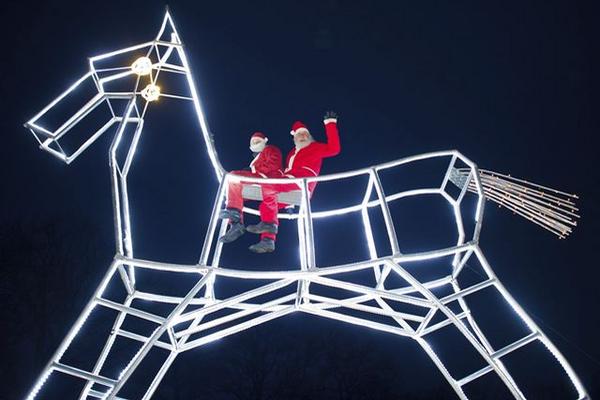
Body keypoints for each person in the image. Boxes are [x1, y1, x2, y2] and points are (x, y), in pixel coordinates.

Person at [246, 111, 341, 253]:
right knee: (266, 206)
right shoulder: (291, 153)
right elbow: (286, 170)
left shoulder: (315, 148)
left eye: (305, 134)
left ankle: (269, 224)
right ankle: (268, 240)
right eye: (299, 134)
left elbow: (334, 149)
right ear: (295, 137)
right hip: (289, 182)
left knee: (269, 184)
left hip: (302, 181)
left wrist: (330, 124)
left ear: (309, 136)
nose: (303, 136)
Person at [219, 132, 282, 243]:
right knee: (232, 190)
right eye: (253, 142)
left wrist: (252, 171)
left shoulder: (270, 149)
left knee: (233, 176)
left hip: (266, 179)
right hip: (259, 179)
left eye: (258, 141)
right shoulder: (257, 157)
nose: (255, 143)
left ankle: (234, 213)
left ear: (264, 141)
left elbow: (274, 163)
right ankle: (235, 224)